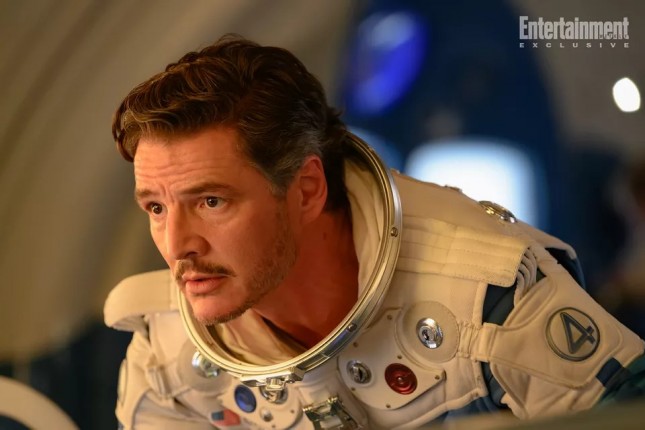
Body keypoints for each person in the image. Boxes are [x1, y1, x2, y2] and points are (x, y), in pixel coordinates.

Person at [104, 34, 645, 429]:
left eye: (211, 201)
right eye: (156, 207)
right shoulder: (171, 349)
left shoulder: (487, 300)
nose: (177, 246)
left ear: (306, 190)